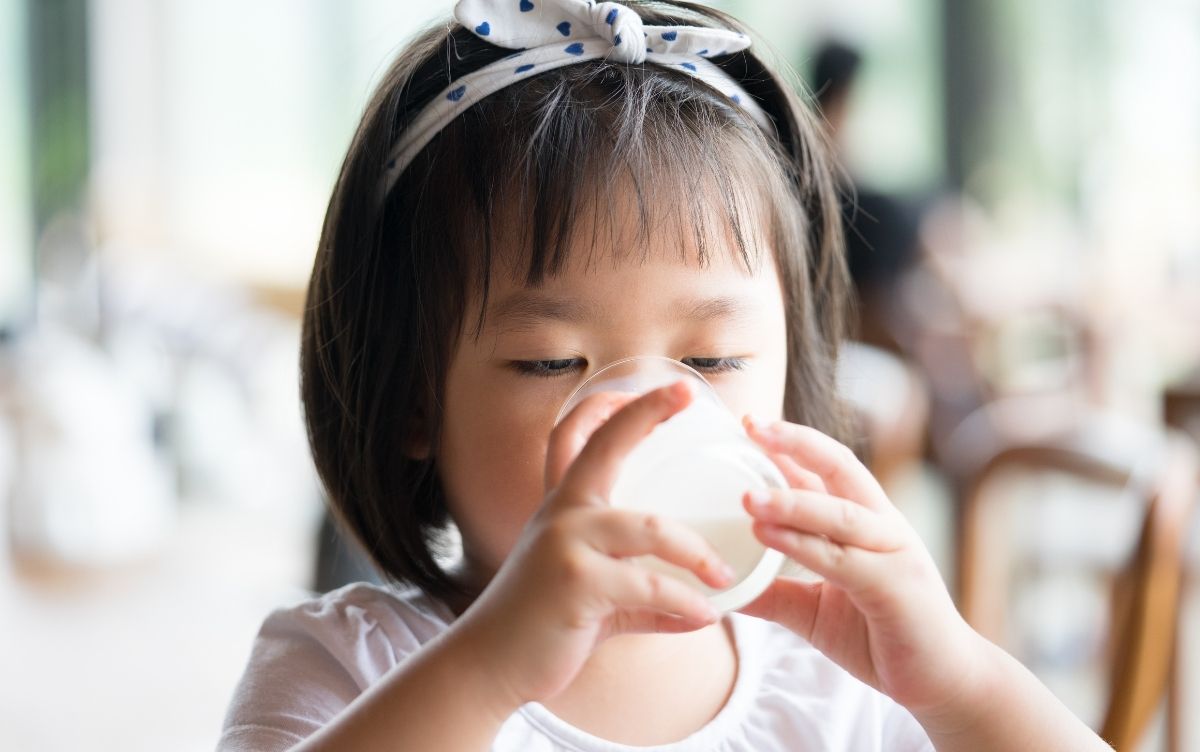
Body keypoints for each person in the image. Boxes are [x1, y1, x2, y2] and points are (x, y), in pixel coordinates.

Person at [218, 1, 1110, 750]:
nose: (654, 414)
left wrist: (955, 679)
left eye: (713, 359)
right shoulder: (349, 668)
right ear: (415, 398)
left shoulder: (840, 693)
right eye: (552, 362)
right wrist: (491, 667)